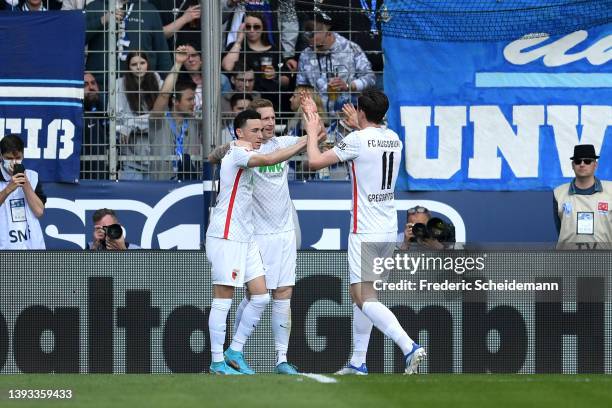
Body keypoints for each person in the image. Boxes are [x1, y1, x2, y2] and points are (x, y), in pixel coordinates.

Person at [302, 87, 426, 374]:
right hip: (386, 227)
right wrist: (359, 124)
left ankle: (409, 347)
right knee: (368, 296)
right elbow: (372, 139)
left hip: (365, 228)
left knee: (362, 297)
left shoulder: (357, 140)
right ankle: (358, 362)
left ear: (360, 112)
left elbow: (314, 161)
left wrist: (311, 129)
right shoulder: (394, 138)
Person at [205, 109, 307, 375]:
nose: (260, 135)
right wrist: (304, 142)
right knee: (223, 299)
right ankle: (217, 362)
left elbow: (214, 156)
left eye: (262, 131)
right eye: (254, 130)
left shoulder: (241, 149)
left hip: (246, 235)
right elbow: (270, 158)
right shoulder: (239, 152)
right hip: (227, 234)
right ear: (239, 133)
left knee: (260, 296)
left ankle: (234, 351)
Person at [296, 8, 375, 115]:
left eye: (319, 46)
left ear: (329, 34)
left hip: (346, 117)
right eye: (311, 46)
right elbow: (301, 86)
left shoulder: (351, 48)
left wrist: (348, 86)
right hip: (318, 118)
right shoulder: (305, 54)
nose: (314, 49)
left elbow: (370, 78)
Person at [85, 0, 172, 91]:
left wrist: (168, 91)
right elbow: (77, 40)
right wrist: (103, 20)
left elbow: (162, 53)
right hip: (101, 88)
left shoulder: (149, 10)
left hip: (141, 88)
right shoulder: (94, 7)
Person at [149, 46, 202, 181]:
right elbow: (163, 95)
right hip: (161, 186)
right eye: (189, 99)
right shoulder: (158, 120)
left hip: (189, 185)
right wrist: (178, 64)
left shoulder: (194, 121)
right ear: (175, 101)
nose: (193, 103)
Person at [554, 144, 612, 250]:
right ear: (572, 165)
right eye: (578, 161)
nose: (582, 164)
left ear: (595, 165)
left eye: (587, 161)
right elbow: (560, 229)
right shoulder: (559, 193)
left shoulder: (610, 191)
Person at [115, 52, 162, 180]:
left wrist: (131, 125)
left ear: (148, 64)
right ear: (128, 67)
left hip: (156, 156)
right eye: (134, 64)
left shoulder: (156, 80)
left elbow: (160, 115)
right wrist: (145, 123)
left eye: (142, 63)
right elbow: (116, 118)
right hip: (131, 157)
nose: (139, 67)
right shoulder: (119, 84)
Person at [0, 135, 46, 250]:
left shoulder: (32, 176)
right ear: (1, 156)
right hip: (5, 248)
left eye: (18, 158)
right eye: (9, 158)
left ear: (23, 155)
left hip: (32, 248)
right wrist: (8, 189)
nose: (14, 162)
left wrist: (24, 182)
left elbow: (39, 212)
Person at [82, 72, 109, 180]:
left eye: (93, 83)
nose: (91, 87)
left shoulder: (107, 110)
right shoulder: (76, 115)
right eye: (85, 85)